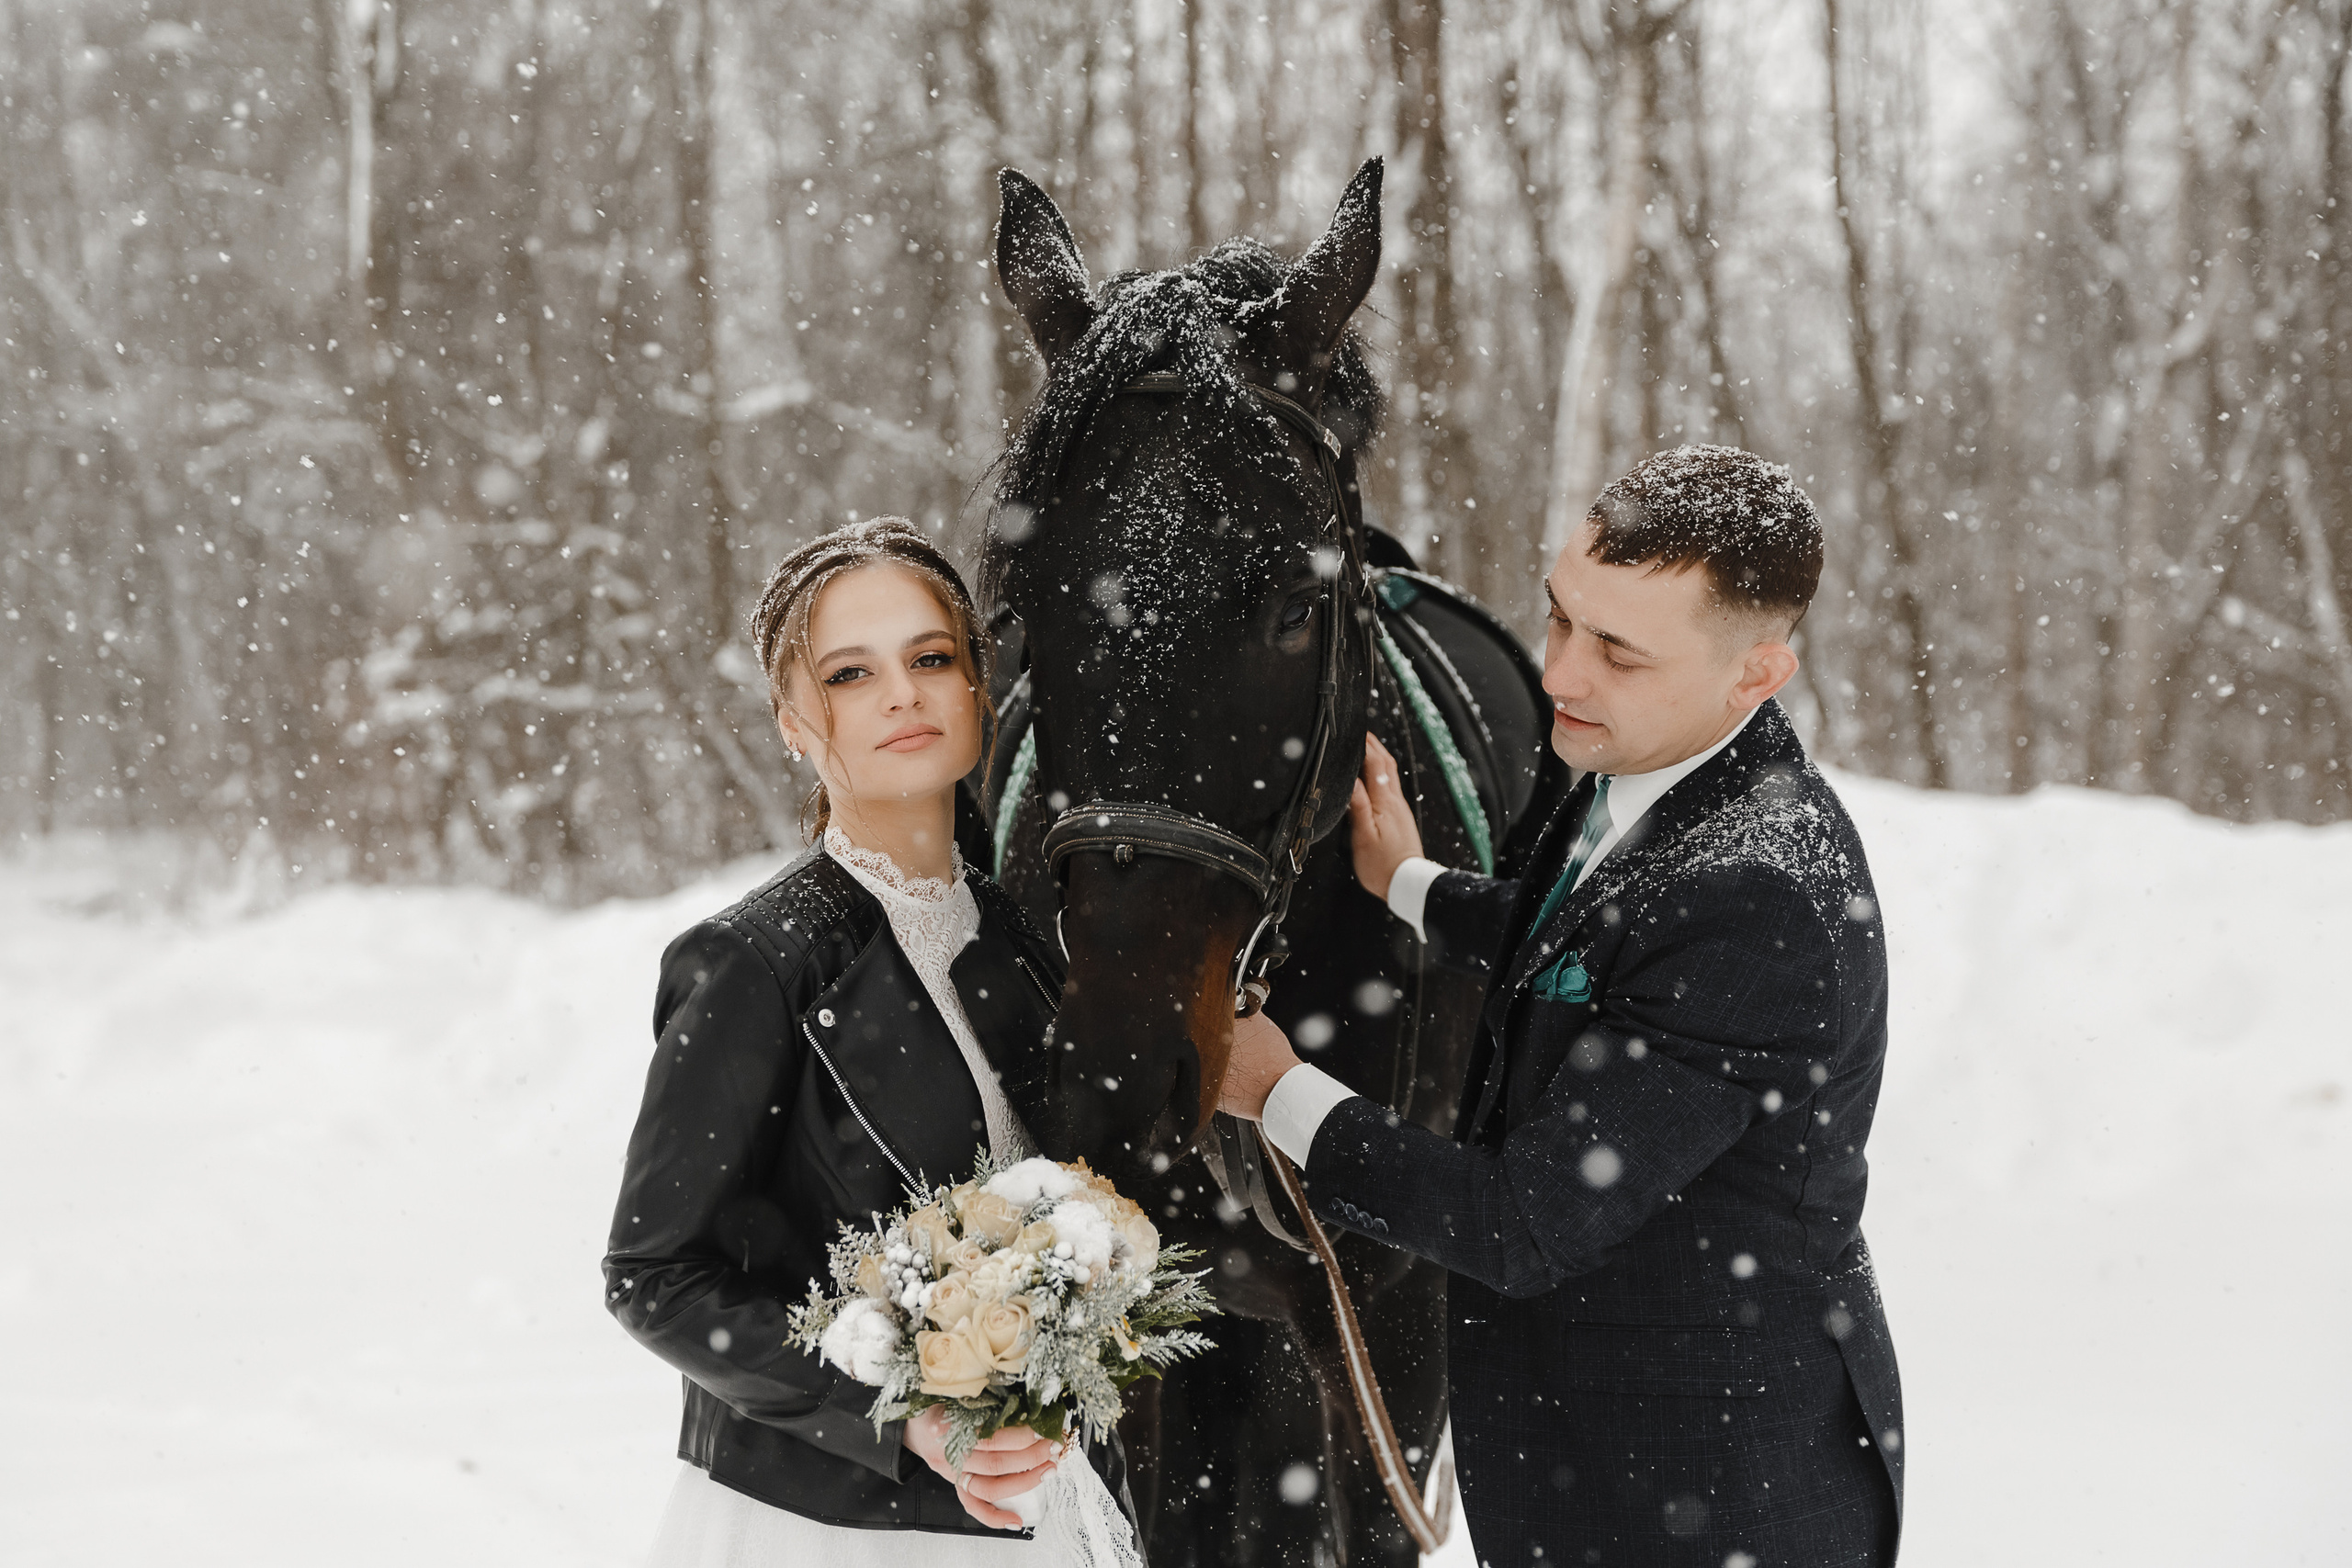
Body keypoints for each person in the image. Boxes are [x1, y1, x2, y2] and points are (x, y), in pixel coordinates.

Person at [1220, 446, 1905, 1567]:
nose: (1561, 675)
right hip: (1587, 1452)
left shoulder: (1758, 893)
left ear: (1756, 673)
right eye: (1560, 622)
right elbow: (1592, 943)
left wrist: (1274, 1087)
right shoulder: (1651, 761)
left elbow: (1518, 1222)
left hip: (1710, 1485)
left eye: (1618, 653)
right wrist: (1410, 886)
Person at [604, 518, 1139, 1567]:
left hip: (1047, 1512)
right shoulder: (752, 966)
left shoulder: (1024, 939)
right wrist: (904, 1419)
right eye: (852, 673)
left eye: (932, 659)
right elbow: (654, 1274)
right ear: (794, 722)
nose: (903, 694)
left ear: (980, 690)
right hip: (833, 1526)